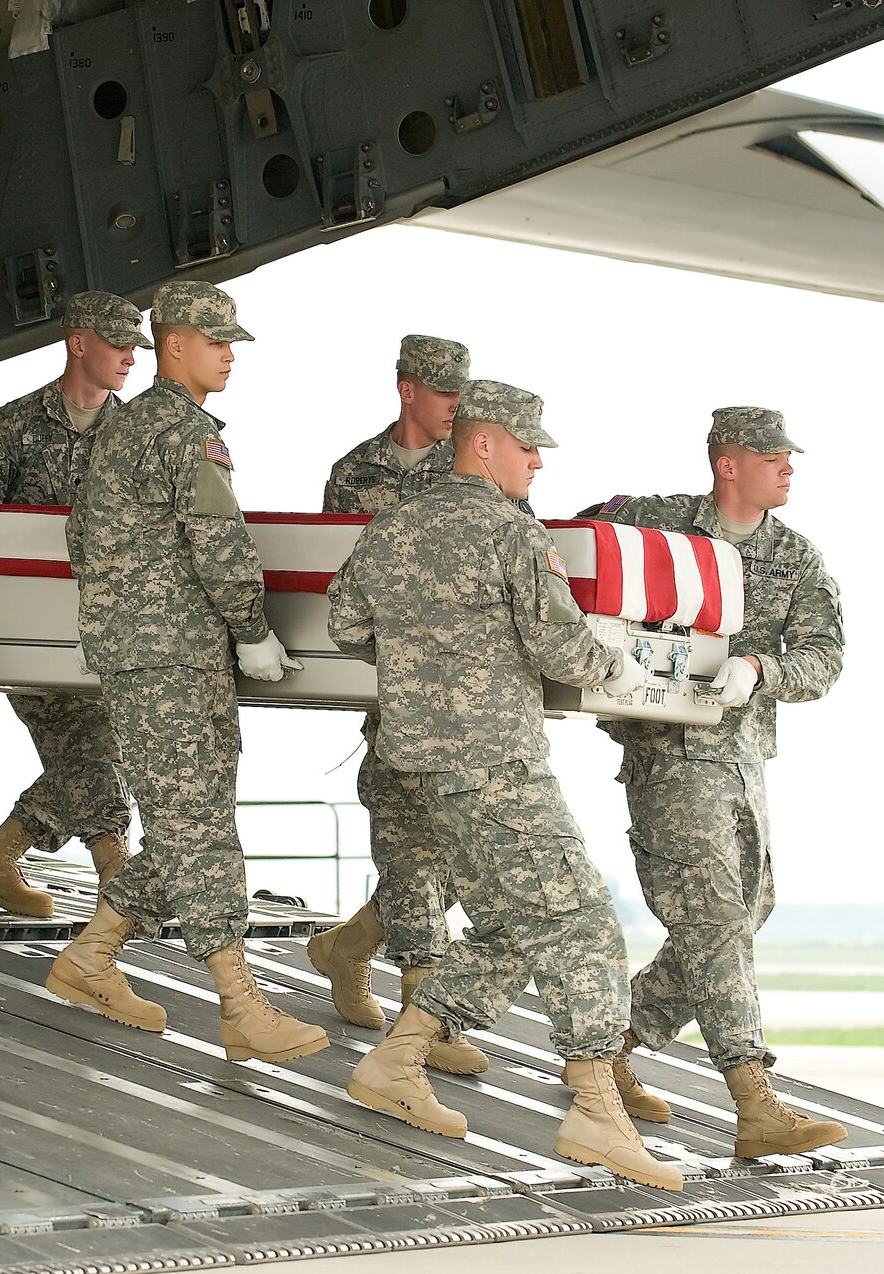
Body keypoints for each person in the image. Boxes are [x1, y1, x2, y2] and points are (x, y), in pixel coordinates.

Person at [329, 380, 680, 1191]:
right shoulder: (510, 532)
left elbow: (347, 622)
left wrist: (422, 670)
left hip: (413, 759)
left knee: (515, 925)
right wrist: (617, 667)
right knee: (582, 915)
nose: (537, 460)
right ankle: (595, 1109)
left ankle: (398, 1058)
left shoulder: (396, 524)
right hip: (493, 764)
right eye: (527, 446)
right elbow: (561, 647)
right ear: (481, 443)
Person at [48, 279, 329, 1064]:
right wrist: (252, 630)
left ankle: (89, 958)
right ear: (175, 344)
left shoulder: (126, 428)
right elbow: (220, 542)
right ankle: (240, 1005)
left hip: (156, 652)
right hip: (167, 655)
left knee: (187, 823)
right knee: (201, 829)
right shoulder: (180, 432)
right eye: (217, 341)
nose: (230, 354)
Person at [586, 406, 847, 1158]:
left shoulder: (795, 556)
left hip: (742, 750)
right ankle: (752, 1097)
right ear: (727, 462)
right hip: (668, 748)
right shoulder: (658, 522)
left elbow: (826, 657)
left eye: (789, 455)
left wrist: (763, 669)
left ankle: (611, 1047)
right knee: (712, 920)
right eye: (772, 456)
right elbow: (578, 549)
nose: (788, 466)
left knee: (749, 905)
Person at [306, 334, 487, 1077]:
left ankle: (346, 945)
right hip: (389, 691)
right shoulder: (354, 474)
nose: (454, 408)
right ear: (407, 388)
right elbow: (336, 579)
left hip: (464, 695)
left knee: (454, 857)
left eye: (461, 395)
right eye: (443, 393)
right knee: (414, 845)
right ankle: (426, 1009)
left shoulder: (473, 470)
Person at [0, 292, 154, 917]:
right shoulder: (10, 428)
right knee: (92, 744)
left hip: (115, 632)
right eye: (116, 345)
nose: (127, 359)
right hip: (27, 634)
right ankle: (116, 878)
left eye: (134, 348)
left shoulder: (138, 437)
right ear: (78, 342)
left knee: (101, 747)